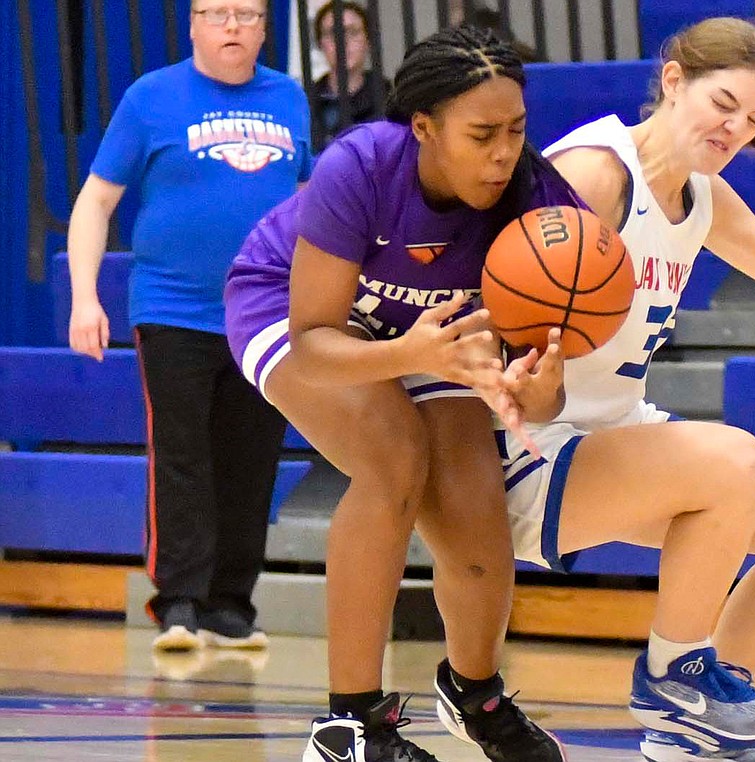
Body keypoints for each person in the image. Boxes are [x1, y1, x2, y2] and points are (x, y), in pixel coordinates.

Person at [494, 15, 755, 762]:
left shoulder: (702, 194)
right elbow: (496, 305)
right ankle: (674, 681)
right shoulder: (596, 174)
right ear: (674, 82)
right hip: (528, 445)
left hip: (612, 437)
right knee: (732, 456)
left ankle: (699, 736)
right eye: (723, 106)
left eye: (751, 119)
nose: (736, 129)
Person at [223, 23, 579, 762]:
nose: (504, 150)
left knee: (477, 511)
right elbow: (317, 341)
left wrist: (533, 389)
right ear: (424, 127)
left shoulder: (540, 203)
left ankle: (475, 694)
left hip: (428, 335)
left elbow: (544, 396)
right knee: (394, 457)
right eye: (482, 133)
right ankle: (348, 726)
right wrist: (407, 353)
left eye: (515, 129)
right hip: (294, 311)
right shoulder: (359, 165)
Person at [66, 0, 312, 652]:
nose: (233, 26)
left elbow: (313, 202)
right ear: (195, 24)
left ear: (265, 27)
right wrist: (84, 297)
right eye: (218, 12)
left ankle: (231, 605)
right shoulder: (152, 98)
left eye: (247, 14)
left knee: (252, 459)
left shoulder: (289, 98)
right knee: (182, 457)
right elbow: (95, 199)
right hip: (173, 308)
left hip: (265, 316)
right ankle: (178, 602)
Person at [310, 0, 391, 152]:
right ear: (320, 43)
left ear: (368, 40)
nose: (343, 41)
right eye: (333, 33)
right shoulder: (307, 101)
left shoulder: (389, 98)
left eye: (353, 32)